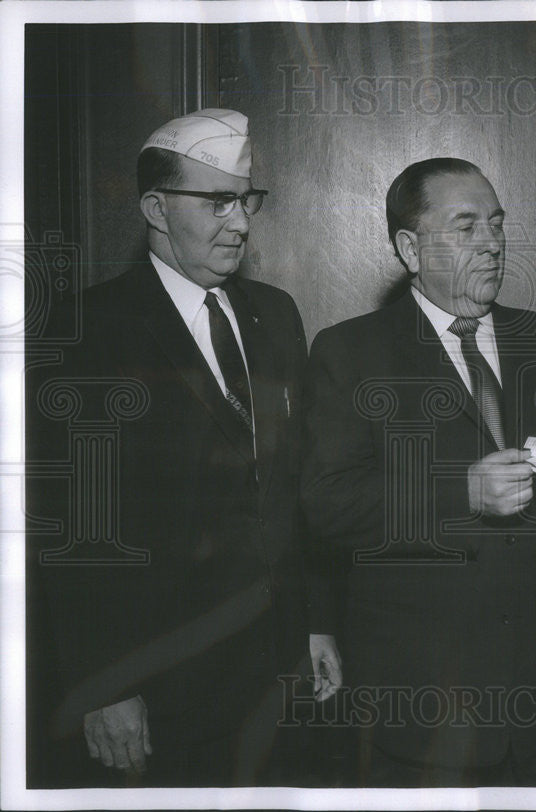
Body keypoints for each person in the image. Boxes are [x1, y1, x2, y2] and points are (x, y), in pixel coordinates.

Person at [32, 109, 341, 786]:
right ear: (155, 207)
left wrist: (316, 622)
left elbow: (295, 490)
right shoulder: (88, 330)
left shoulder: (277, 314)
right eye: (216, 202)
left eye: (246, 200)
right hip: (162, 688)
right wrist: (101, 686)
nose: (240, 223)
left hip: (280, 676)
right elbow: (73, 529)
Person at [301, 158, 536, 786]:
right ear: (410, 248)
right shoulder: (350, 352)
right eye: (466, 227)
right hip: (423, 700)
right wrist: (462, 491)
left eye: (496, 225)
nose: (492, 243)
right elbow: (329, 507)